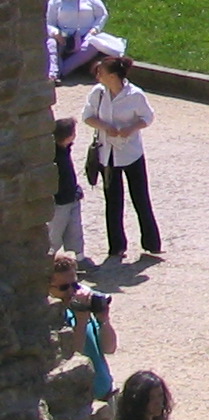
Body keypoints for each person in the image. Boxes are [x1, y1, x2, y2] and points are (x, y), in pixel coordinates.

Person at [82, 53, 161, 264]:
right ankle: (116, 246)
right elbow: (87, 116)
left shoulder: (135, 95)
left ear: (114, 75)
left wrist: (131, 128)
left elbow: (148, 117)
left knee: (140, 198)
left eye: (102, 72)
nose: (98, 75)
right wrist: (105, 127)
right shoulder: (98, 93)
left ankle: (152, 243)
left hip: (131, 152)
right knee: (113, 202)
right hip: (107, 154)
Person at [50, 251, 116, 402]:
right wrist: (81, 321)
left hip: (105, 393)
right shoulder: (54, 318)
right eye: (64, 287)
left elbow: (109, 348)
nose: (72, 291)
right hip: (82, 403)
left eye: (75, 284)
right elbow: (72, 357)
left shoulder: (84, 304)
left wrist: (103, 320)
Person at [46, 0, 114, 81]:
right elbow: (49, 22)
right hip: (64, 35)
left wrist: (95, 29)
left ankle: (61, 72)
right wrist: (56, 33)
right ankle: (54, 73)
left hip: (86, 35)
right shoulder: (56, 0)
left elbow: (102, 14)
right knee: (51, 43)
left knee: (92, 47)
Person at [50, 115, 84, 258]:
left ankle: (79, 258)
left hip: (72, 198)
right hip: (60, 203)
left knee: (75, 231)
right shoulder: (54, 155)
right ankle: (50, 261)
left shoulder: (65, 148)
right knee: (54, 234)